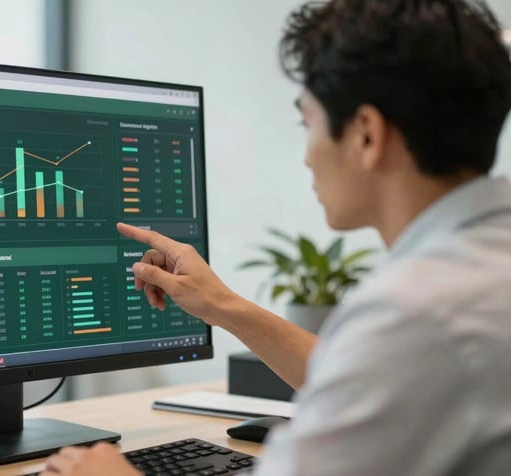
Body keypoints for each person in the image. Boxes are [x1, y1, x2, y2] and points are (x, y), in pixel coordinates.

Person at [40, 0, 511, 474]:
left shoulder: (416, 313)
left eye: (307, 124)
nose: (307, 156)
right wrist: (222, 305)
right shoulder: (482, 265)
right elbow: (376, 377)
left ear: (367, 135)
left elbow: (391, 356)